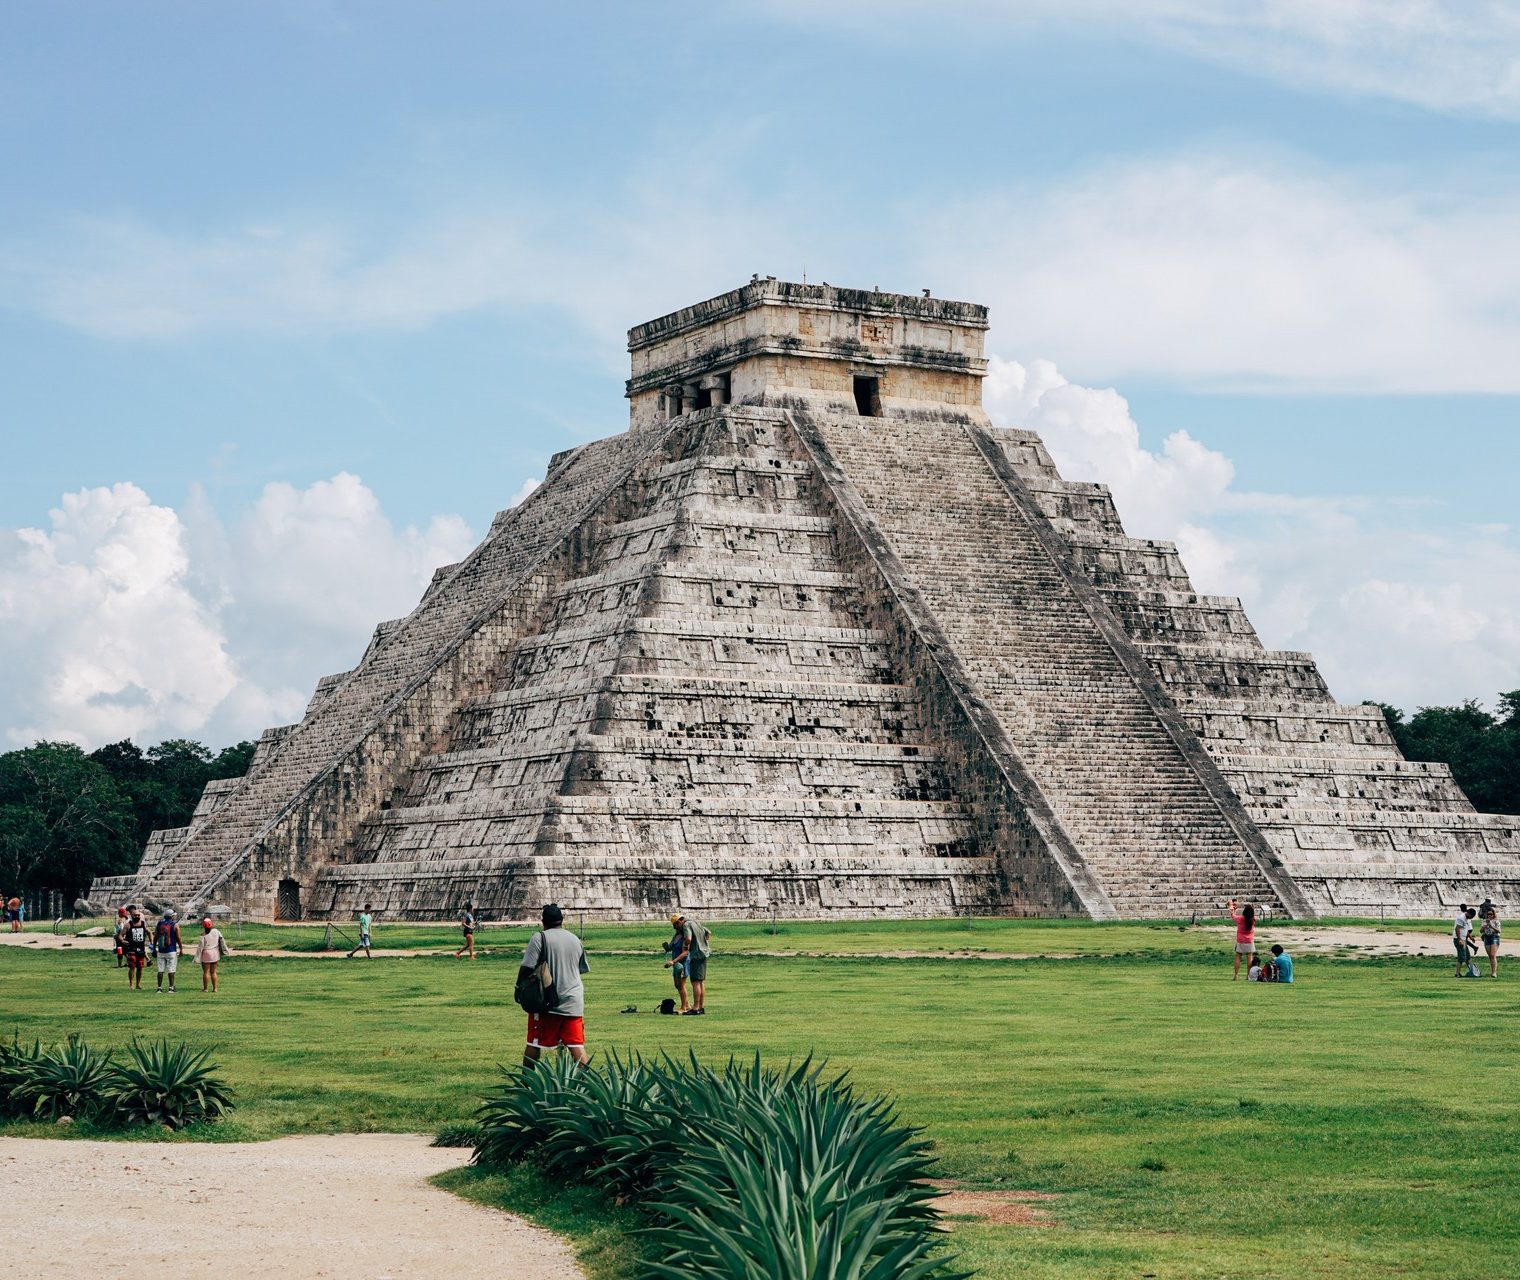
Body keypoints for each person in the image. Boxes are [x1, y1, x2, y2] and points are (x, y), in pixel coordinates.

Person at [519, 903, 589, 1068]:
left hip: (548, 1001)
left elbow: (527, 967)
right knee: (576, 1045)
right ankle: (590, 1086)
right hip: (574, 1001)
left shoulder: (539, 937)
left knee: (534, 1042)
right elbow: (580, 968)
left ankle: (525, 1085)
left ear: (543, 921)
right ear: (562, 920)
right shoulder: (574, 939)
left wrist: (518, 987)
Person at [668, 911, 711, 1014]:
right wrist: (702, 943)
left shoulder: (686, 925)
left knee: (695, 982)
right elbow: (708, 933)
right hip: (704, 953)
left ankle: (695, 1008)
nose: (676, 928)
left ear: (680, 921)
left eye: (676, 925)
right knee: (700, 982)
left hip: (696, 955)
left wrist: (686, 946)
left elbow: (688, 939)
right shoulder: (694, 922)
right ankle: (700, 1007)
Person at [194, 917, 229, 992]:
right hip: (215, 953)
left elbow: (200, 947)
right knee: (213, 972)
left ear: (204, 926)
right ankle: (215, 988)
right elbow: (221, 940)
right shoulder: (216, 931)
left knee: (206, 972)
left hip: (206, 953)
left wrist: (197, 958)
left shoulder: (203, 935)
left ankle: (205, 988)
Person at [661, 922, 690, 1013]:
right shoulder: (676, 936)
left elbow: (685, 953)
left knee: (681, 985)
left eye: (677, 926)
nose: (676, 928)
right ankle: (687, 1004)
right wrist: (667, 947)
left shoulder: (685, 938)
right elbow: (671, 947)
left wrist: (673, 961)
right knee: (677, 985)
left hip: (682, 964)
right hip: (675, 964)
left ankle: (683, 1007)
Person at [153, 908, 182, 993]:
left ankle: (159, 988)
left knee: (160, 970)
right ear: (171, 917)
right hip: (171, 950)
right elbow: (178, 938)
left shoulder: (159, 923)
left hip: (161, 950)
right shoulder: (175, 925)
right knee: (171, 970)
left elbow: (155, 936)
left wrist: (154, 948)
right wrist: (181, 948)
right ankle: (171, 988)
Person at [1227, 898, 1256, 981]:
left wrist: (1233, 910)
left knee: (1238, 957)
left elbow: (1233, 917)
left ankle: (1236, 975)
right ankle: (1248, 975)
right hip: (1249, 940)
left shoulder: (1241, 919)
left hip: (1240, 940)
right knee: (1249, 958)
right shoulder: (1253, 919)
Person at [123, 907, 149, 990]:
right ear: (131, 916)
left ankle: (138, 984)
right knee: (132, 967)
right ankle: (131, 984)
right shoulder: (128, 925)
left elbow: (148, 932)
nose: (137, 916)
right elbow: (121, 935)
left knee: (140, 967)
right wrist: (122, 941)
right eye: (135, 915)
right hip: (131, 949)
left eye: (138, 915)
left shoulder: (142, 924)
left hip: (141, 949)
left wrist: (151, 940)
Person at [1454, 905, 1479, 977]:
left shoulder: (1466, 919)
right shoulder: (1461, 918)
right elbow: (1457, 929)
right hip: (1459, 939)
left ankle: (1473, 972)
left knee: (1467, 957)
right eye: (1471, 916)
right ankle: (1457, 973)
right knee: (1461, 957)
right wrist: (1459, 939)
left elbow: (1465, 929)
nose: (1471, 918)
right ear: (1468, 913)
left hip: (1464, 939)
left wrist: (1471, 937)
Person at [1479, 905, 1501, 979]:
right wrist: (1485, 926)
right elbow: (1481, 931)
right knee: (1490, 956)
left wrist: (1491, 926)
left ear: (1493, 914)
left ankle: (1494, 973)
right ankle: (1492, 971)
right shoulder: (1484, 921)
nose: (1489, 916)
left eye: (1491, 914)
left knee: (1492, 955)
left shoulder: (1496, 921)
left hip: (1494, 937)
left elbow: (1498, 931)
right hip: (1487, 937)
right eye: (1488, 914)